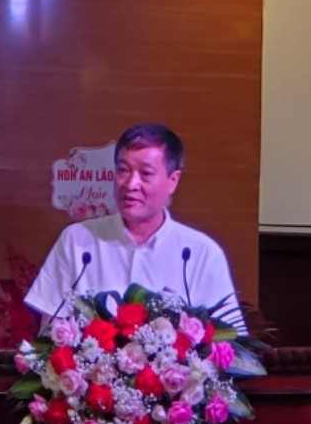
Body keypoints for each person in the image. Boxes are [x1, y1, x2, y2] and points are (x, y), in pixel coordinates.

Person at [25, 123, 246, 334]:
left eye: (146, 174)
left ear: (173, 180)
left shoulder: (202, 254)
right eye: (123, 170)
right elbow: (49, 333)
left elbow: (229, 344)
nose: (131, 184)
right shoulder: (76, 241)